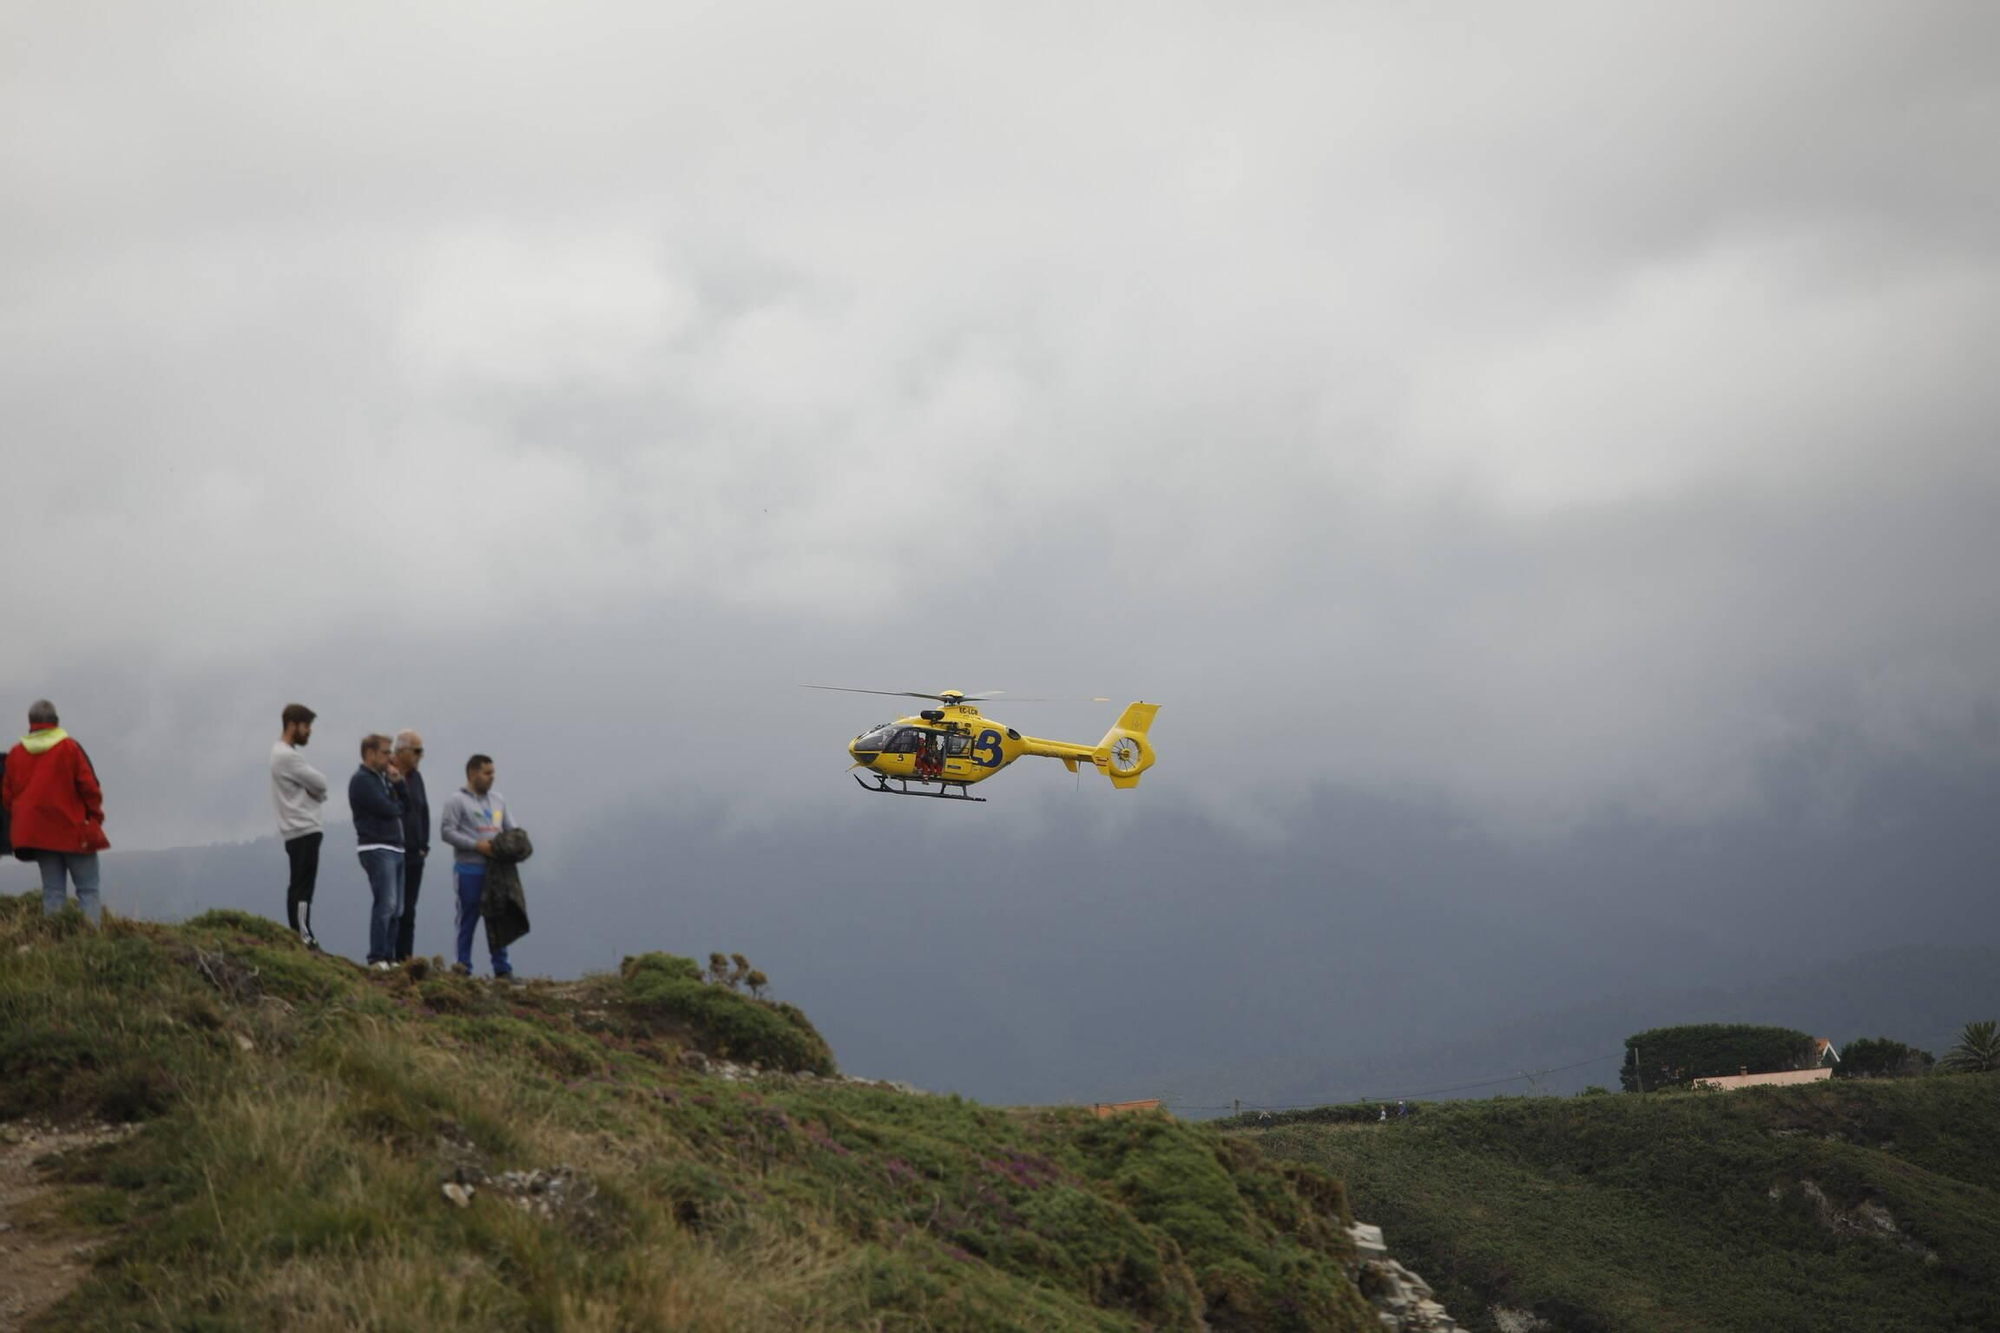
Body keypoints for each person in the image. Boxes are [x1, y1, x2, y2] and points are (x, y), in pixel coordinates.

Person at [2, 700, 109, 925]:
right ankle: (89, 944)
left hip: (39, 837)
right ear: (56, 722)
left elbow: (7, 797)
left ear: (31, 724)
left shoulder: (16, 754)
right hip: (74, 831)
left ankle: (55, 943)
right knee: (87, 890)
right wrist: (95, 818)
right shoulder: (69, 748)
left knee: (53, 892)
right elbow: (90, 788)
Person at [440, 753, 517, 980]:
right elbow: (446, 832)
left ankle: (502, 969)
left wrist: (513, 843)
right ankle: (462, 966)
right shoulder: (456, 801)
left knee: (498, 918)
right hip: (469, 869)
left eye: (493, 773)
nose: (492, 777)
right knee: (468, 917)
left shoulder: (498, 800)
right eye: (487, 773)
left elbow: (511, 828)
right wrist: (476, 845)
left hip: (496, 871)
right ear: (473, 773)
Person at [270, 703, 330, 949]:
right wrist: (314, 792)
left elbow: (317, 789)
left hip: (297, 829)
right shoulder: (287, 756)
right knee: (303, 886)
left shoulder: (282, 754)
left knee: (298, 883)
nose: (309, 731)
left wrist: (314, 791)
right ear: (292, 725)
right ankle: (303, 934)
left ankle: (298, 932)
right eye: (306, 726)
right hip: (303, 827)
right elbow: (321, 783)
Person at [347, 734, 406, 970]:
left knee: (397, 908)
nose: (389, 757)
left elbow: (405, 806)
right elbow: (387, 809)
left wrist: (399, 784)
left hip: (395, 846)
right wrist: (396, 804)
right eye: (384, 752)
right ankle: (377, 956)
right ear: (370, 753)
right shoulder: (361, 780)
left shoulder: (384, 779)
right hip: (376, 846)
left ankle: (389, 957)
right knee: (386, 903)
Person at [390, 730, 430, 962]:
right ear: (402, 751)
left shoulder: (417, 778)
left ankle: (405, 958)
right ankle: (387, 956)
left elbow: (422, 811)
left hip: (416, 853)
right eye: (417, 751)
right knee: (392, 906)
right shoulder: (387, 774)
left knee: (409, 909)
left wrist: (424, 844)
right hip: (394, 850)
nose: (420, 756)